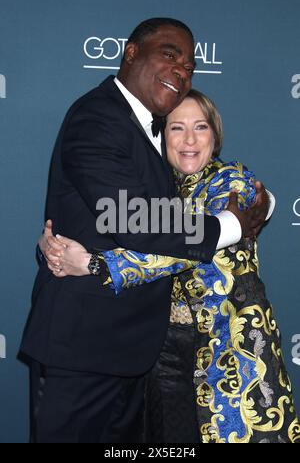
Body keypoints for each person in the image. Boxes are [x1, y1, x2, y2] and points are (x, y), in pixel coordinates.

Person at [21, 18, 273, 443]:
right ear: (131, 52)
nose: (181, 71)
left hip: (137, 354)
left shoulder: (147, 133)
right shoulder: (99, 116)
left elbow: (100, 218)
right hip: (83, 351)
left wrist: (92, 261)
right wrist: (230, 226)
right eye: (169, 55)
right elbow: (128, 217)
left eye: (190, 67)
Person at [45, 90, 299, 444]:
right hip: (162, 352)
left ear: (215, 135)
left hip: (233, 344)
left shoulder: (232, 181)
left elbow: (177, 250)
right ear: (162, 137)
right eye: (177, 128)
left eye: (201, 127)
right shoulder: (154, 190)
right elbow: (112, 226)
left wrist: (97, 264)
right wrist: (54, 247)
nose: (190, 140)